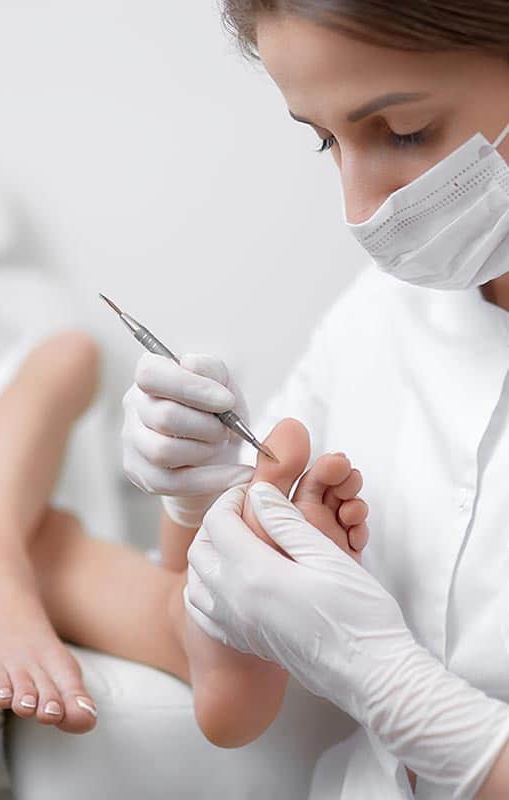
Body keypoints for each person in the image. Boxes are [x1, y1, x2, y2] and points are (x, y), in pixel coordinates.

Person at [118, 2, 509, 798]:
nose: (359, 211)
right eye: (325, 140)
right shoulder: (376, 316)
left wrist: (400, 690)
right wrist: (200, 504)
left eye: (403, 131)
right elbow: (225, 700)